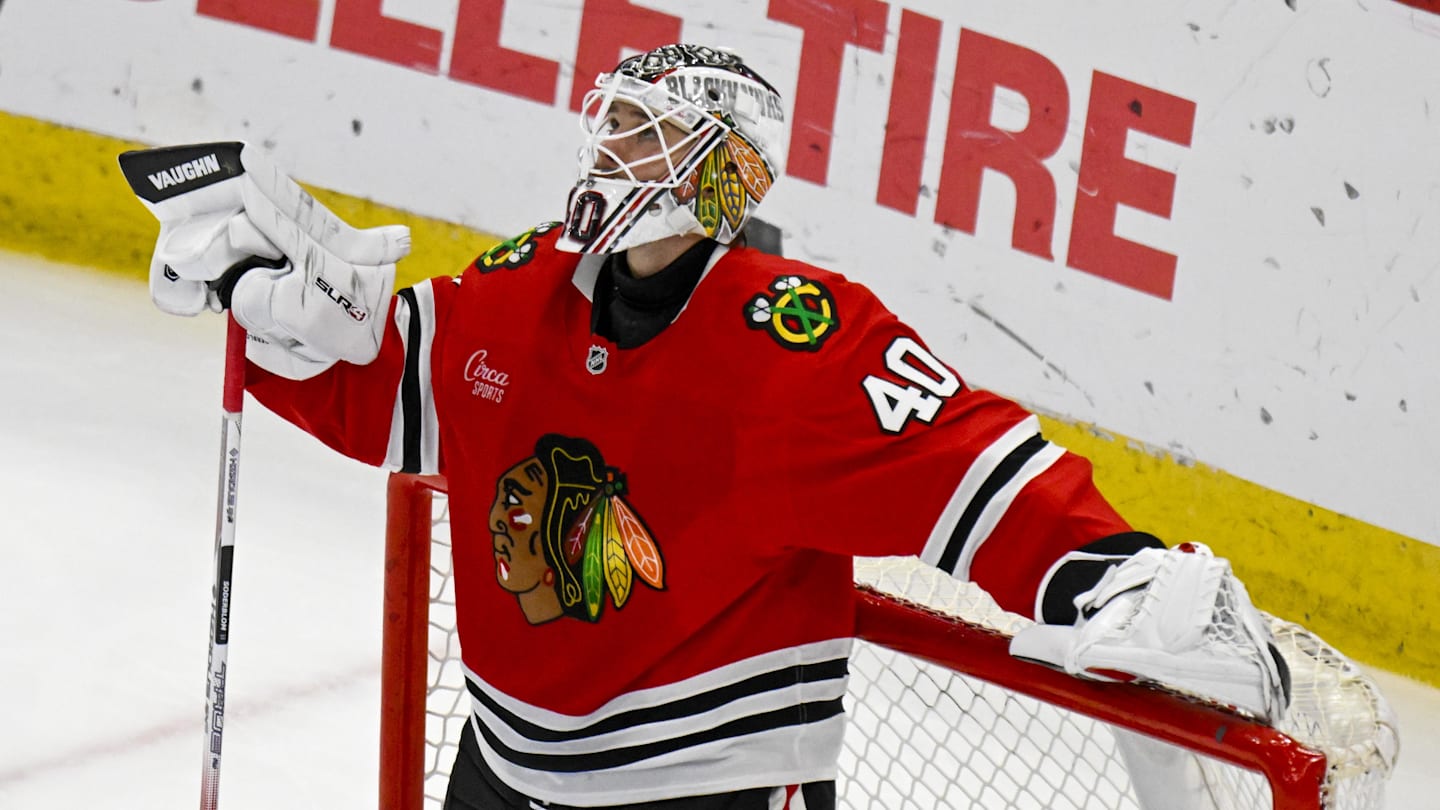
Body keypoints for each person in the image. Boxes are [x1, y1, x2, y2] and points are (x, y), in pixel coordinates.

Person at [125, 43, 1288, 810]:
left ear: (721, 171)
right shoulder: (531, 280)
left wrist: (1108, 572)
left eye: (643, 133)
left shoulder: (802, 346)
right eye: (610, 127)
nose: (608, 155)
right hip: (500, 771)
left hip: (703, 791)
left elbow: (972, 469)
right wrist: (277, 327)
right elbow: (407, 398)